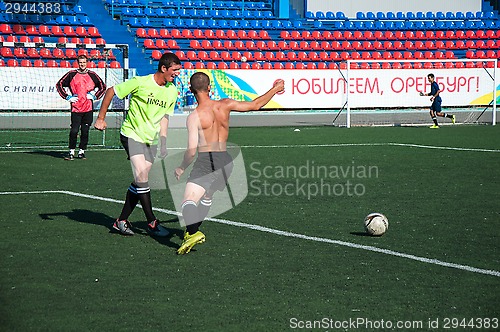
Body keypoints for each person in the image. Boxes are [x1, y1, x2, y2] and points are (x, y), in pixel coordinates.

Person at [174, 72, 285, 255]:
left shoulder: (194, 117)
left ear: (191, 90)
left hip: (207, 160)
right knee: (207, 195)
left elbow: (192, 151)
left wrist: (181, 167)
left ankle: (193, 232)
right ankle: (191, 231)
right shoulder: (224, 104)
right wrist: (275, 89)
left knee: (188, 201)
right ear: (209, 88)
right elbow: (256, 105)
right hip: (226, 160)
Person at [94, 52, 181, 236]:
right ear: (163, 68)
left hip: (152, 140)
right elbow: (111, 91)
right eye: (174, 70)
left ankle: (121, 221)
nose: (177, 74)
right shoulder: (140, 82)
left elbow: (165, 117)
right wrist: (101, 118)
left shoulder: (172, 90)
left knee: (139, 182)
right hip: (131, 134)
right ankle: (152, 222)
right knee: (142, 177)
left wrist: (164, 141)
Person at [56, 55, 106, 160]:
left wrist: (94, 96)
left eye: (84, 62)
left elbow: (103, 87)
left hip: (88, 108)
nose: (82, 64)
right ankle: (71, 152)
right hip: (76, 108)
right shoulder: (71, 74)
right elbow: (59, 84)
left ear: (87, 63)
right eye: (80, 62)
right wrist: (67, 97)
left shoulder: (92, 75)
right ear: (77, 63)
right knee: (74, 130)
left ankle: (82, 151)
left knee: (85, 131)